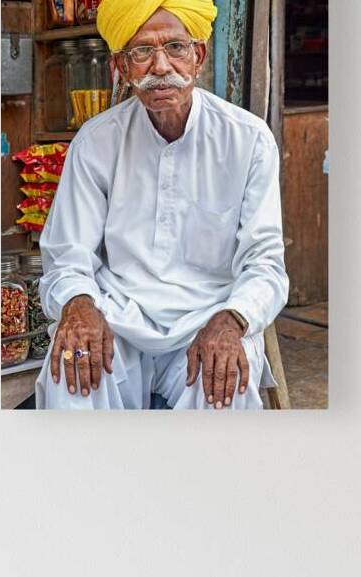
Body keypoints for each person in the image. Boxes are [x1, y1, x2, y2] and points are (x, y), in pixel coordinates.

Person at [35, 0, 289, 410]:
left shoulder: (248, 140)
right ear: (121, 65)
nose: (159, 66)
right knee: (71, 371)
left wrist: (233, 319)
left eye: (175, 48)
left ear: (198, 56)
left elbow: (265, 264)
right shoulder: (96, 142)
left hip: (208, 319)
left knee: (225, 387)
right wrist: (79, 304)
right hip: (118, 318)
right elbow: (67, 257)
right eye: (141, 52)